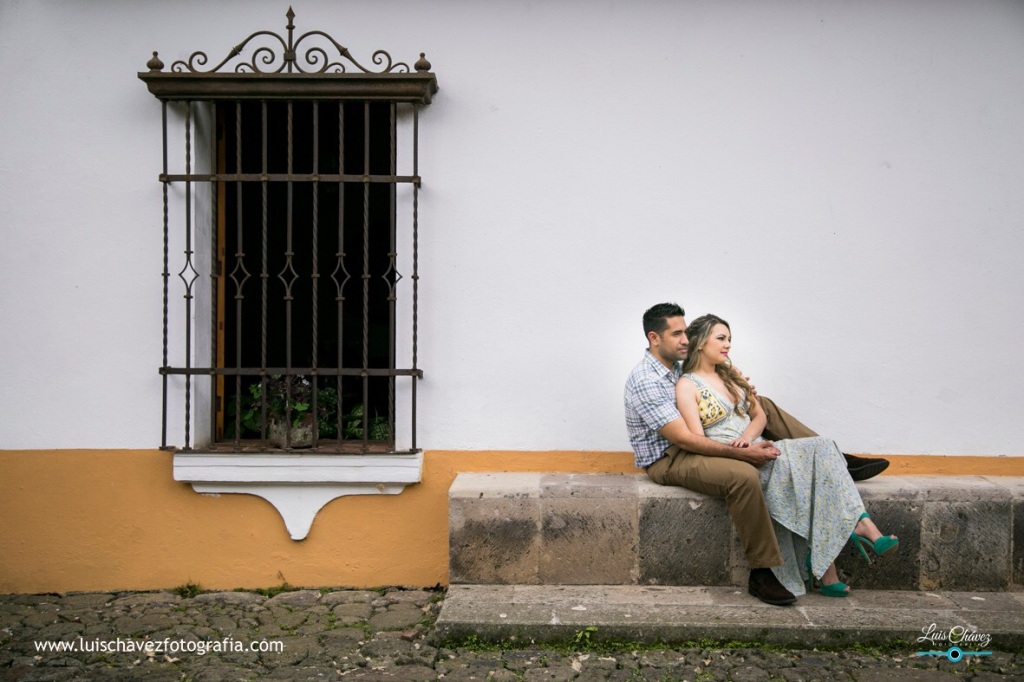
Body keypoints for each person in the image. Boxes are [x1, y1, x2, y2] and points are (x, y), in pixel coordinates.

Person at [675, 313, 898, 597]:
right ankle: (842, 552)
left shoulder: (729, 373)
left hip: (759, 446)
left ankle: (856, 530)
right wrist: (741, 449)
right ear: (700, 342)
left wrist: (747, 438)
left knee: (823, 447)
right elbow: (699, 439)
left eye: (729, 339)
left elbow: (760, 415)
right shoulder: (687, 385)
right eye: (721, 338)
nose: (727, 345)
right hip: (735, 458)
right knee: (815, 466)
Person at [624, 303, 796, 605]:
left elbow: (708, 378)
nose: (685, 340)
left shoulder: (676, 366)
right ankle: (762, 572)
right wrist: (744, 454)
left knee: (762, 404)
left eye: (686, 332)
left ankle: (831, 455)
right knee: (743, 477)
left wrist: (736, 388)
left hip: (698, 443)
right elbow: (689, 441)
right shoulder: (646, 381)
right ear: (654, 338)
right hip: (670, 459)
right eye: (676, 334)